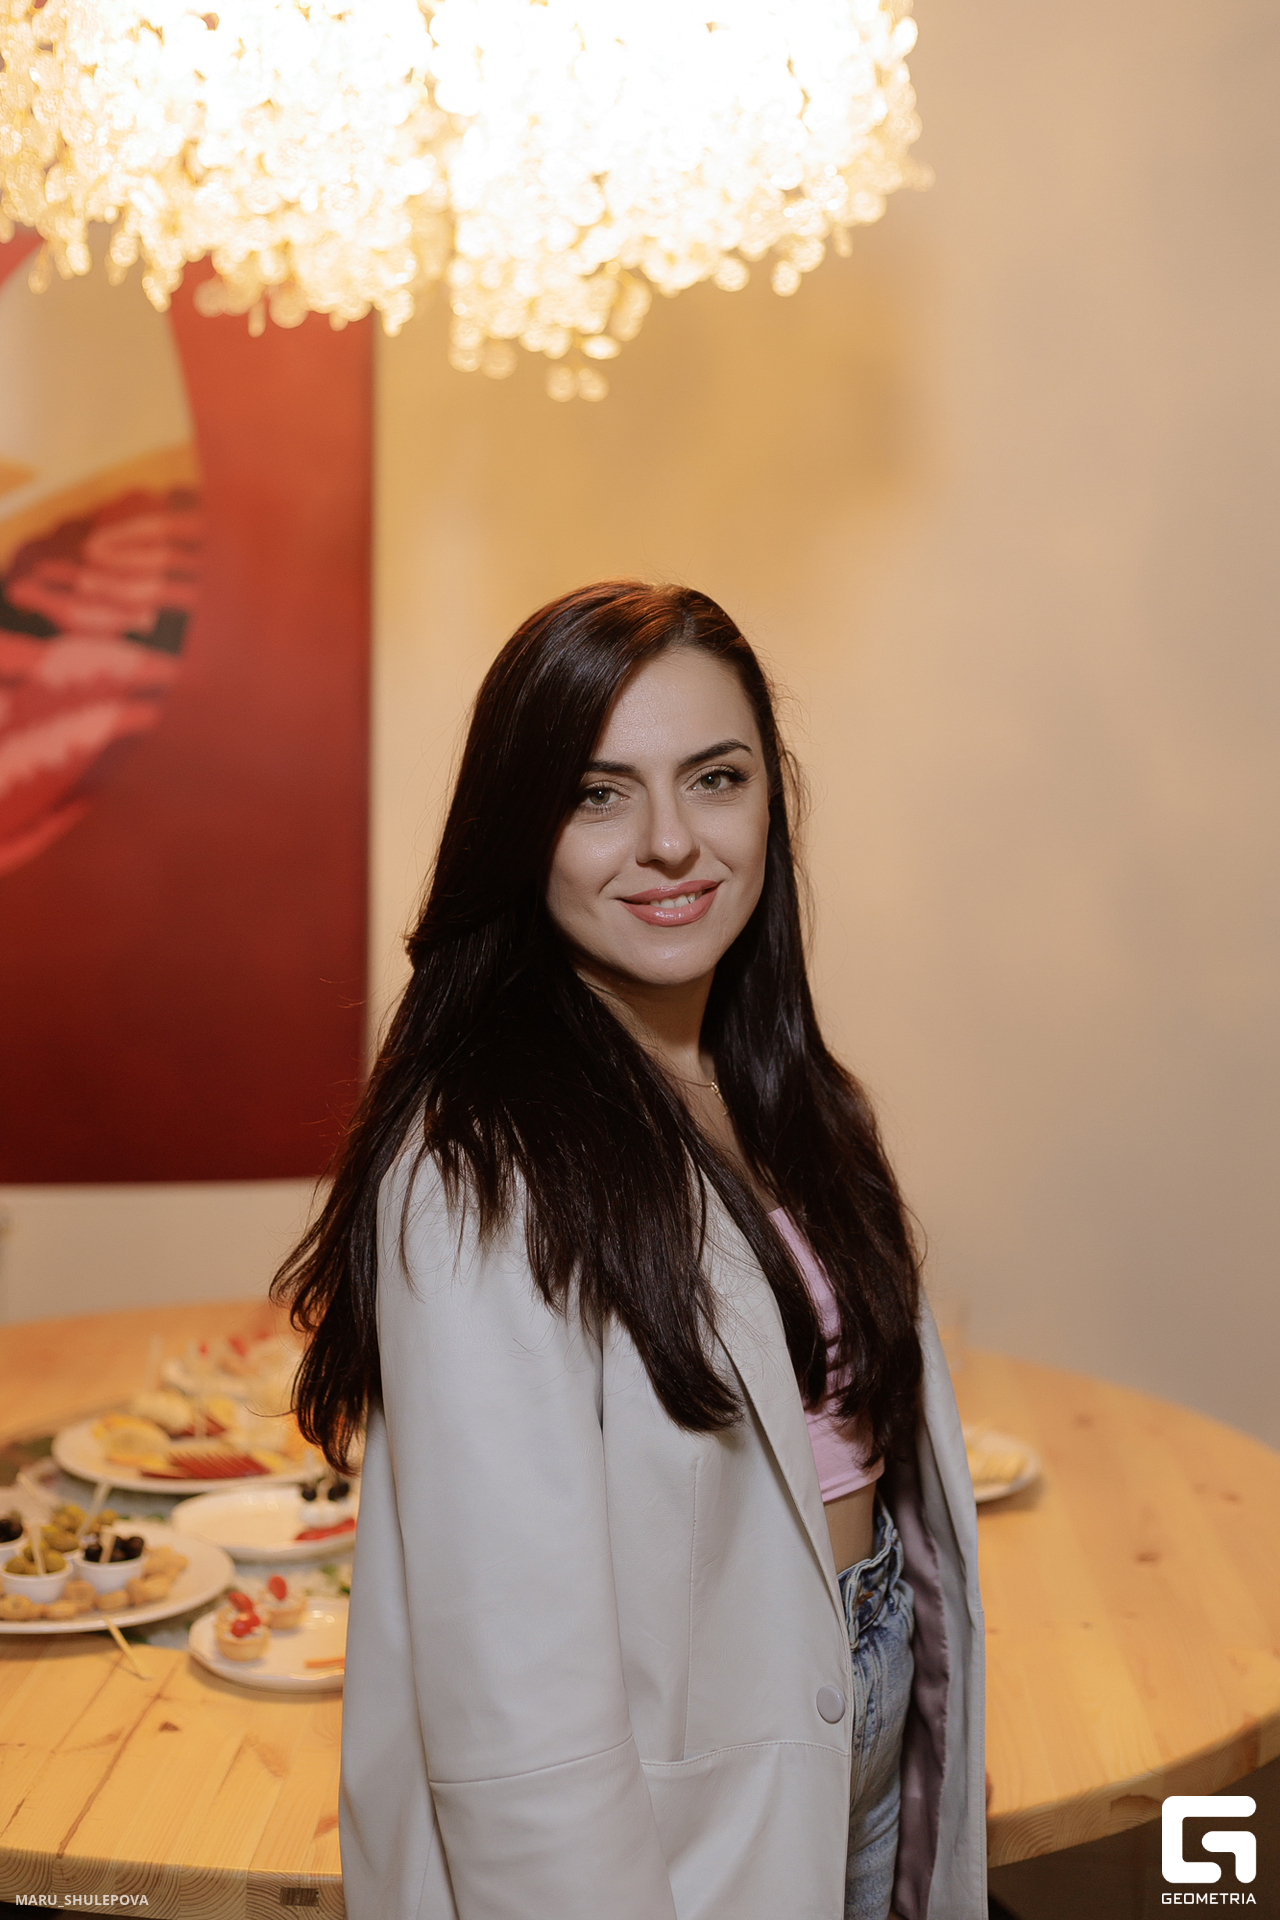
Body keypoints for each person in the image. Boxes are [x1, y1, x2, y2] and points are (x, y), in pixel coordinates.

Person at [274, 581, 986, 1920]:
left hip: (859, 1695)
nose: (670, 842)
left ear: (769, 800)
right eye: (597, 795)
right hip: (678, 1803)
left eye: (715, 779)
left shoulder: (778, 1088)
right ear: (518, 831)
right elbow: (517, 1705)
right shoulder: (481, 1162)